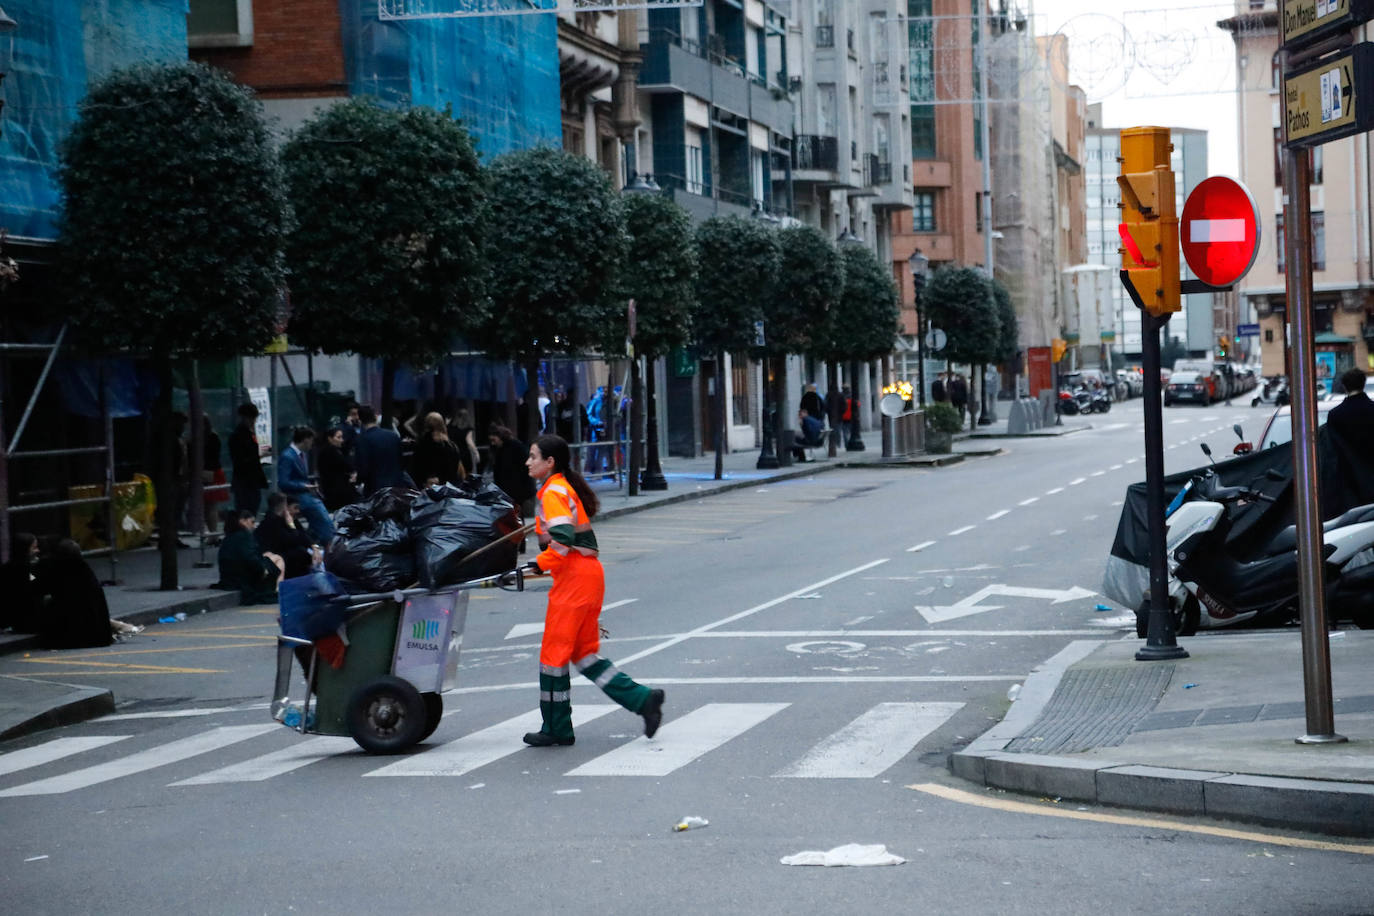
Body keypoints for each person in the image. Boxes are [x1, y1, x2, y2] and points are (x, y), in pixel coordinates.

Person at [512, 434, 664, 746]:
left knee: (553, 657)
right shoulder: (562, 488)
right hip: (587, 576)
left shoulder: (552, 491)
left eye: (533, 456)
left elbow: (563, 538)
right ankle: (643, 700)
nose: (528, 462)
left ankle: (556, 727)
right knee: (583, 655)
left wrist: (538, 564)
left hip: (574, 579)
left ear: (549, 462)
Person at [34, 538, 113, 649]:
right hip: (94, 632)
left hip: (70, 629)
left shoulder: (58, 569)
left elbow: (39, 587)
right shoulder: (84, 568)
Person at [277, 426, 336, 546]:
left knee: (319, 518)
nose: (312, 444)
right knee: (321, 516)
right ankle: (330, 542)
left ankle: (318, 541)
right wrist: (304, 486)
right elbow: (283, 482)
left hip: (305, 493)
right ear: (305, 440)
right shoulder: (288, 456)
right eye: (311, 441)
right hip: (297, 495)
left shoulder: (302, 455)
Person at [217, 510, 284, 604]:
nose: (254, 526)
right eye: (252, 522)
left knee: (271, 556)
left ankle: (277, 589)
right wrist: (263, 569)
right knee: (278, 559)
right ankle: (277, 590)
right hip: (243, 577)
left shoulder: (229, 537)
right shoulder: (244, 536)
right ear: (243, 521)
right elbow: (249, 558)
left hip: (230, 577)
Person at [257, 493, 320, 580]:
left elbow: (304, 536)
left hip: (289, 560)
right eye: (295, 507)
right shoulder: (272, 522)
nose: (298, 511)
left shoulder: (289, 519)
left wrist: (315, 548)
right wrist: (292, 526)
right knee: (301, 553)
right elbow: (293, 541)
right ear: (285, 507)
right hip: (280, 561)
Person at [353, 405, 408, 496]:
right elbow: (401, 462)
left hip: (375, 489)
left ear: (360, 419)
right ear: (375, 417)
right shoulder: (393, 436)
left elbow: (363, 468)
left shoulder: (362, 440)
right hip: (397, 486)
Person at [229, 403, 269, 516]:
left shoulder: (249, 434)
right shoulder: (238, 436)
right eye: (250, 418)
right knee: (246, 510)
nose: (253, 421)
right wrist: (258, 456)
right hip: (245, 480)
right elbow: (240, 460)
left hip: (251, 480)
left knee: (252, 508)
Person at [1, 532, 42, 633]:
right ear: (25, 549)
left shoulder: (9, 567)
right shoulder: (24, 569)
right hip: (24, 620)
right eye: (34, 548)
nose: (37, 551)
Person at [1329, 369, 1374, 453]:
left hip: (1346, 465)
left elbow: (1332, 448)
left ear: (1344, 386)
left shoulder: (1335, 415)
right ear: (1363, 384)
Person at [414, 411, 464, 487]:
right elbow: (455, 465)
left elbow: (419, 463)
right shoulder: (450, 443)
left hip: (431, 484)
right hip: (449, 485)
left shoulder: (424, 441)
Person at [316, 427, 358, 511]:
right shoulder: (331, 451)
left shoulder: (327, 451)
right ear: (330, 438)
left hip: (332, 489)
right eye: (338, 437)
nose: (341, 440)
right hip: (338, 490)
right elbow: (347, 465)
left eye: (341, 437)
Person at [201, 415, 228, 533]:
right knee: (208, 507)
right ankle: (212, 533)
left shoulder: (211, 437)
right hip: (209, 472)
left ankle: (213, 533)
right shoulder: (208, 437)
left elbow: (212, 458)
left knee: (211, 506)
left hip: (211, 473)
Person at [446, 407, 480, 480]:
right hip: (464, 455)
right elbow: (469, 441)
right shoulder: (467, 428)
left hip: (453, 454)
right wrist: (476, 452)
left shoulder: (450, 427)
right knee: (467, 477)